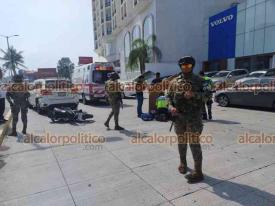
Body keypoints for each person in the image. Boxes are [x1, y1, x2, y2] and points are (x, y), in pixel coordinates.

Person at [167, 56, 204, 183]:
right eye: (183, 66)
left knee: (194, 144)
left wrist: (195, 94)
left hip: (193, 118)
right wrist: (171, 107)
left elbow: (209, 95)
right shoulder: (174, 82)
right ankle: (183, 163)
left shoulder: (199, 80)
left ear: (192, 66)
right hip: (179, 118)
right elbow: (168, 97)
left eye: (188, 66)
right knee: (181, 142)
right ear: (180, 67)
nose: (186, 68)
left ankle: (198, 172)